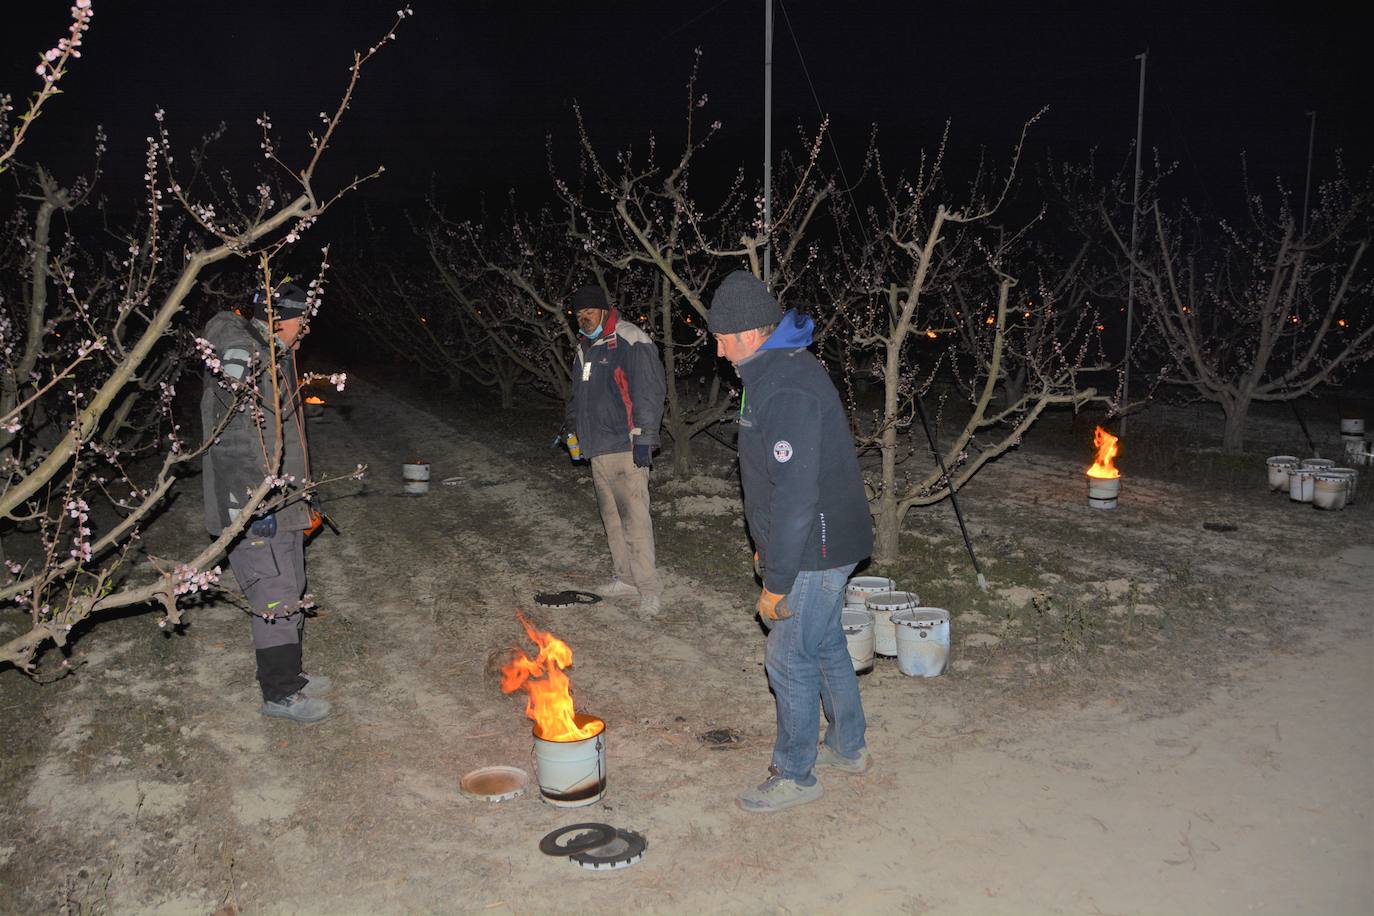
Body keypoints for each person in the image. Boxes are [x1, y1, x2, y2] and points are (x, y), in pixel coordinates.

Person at [707, 269, 874, 813]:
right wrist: (765, 543)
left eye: (722, 336)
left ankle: (796, 774)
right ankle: (848, 746)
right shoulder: (771, 372)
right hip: (815, 539)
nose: (717, 348)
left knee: (786, 654)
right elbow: (773, 481)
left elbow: (798, 493)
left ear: (751, 334)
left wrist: (777, 580)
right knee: (822, 642)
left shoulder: (786, 385)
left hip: (816, 546)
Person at [200, 282, 332, 723]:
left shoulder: (272, 352)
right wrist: (248, 507)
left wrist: (299, 497)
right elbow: (234, 437)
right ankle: (279, 695)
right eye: (301, 320)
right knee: (272, 596)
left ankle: (290, 674)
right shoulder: (243, 354)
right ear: (279, 319)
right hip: (255, 504)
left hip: (282, 500)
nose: (306, 330)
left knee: (290, 586)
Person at [562, 284, 667, 617]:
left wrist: (646, 437)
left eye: (589, 311)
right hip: (598, 448)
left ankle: (649, 589)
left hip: (625, 445)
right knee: (612, 518)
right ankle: (625, 578)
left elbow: (648, 390)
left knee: (635, 519)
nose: (584, 318)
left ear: (604, 310)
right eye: (579, 314)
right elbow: (578, 397)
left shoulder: (629, 339)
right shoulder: (584, 349)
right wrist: (571, 428)